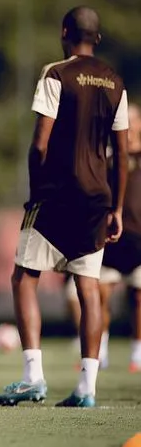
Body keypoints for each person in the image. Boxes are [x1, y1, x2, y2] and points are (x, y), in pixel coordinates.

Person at [0, 6, 128, 408]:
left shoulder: (56, 74)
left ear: (64, 32)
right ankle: (87, 388)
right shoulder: (115, 82)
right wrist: (116, 208)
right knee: (88, 287)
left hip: (56, 194)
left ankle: (33, 376)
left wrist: (38, 190)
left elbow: (39, 143)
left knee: (24, 278)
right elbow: (121, 154)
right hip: (97, 198)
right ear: (98, 39)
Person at [99, 102, 141, 372]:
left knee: (139, 297)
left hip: (139, 239)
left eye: (133, 120)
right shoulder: (107, 158)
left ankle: (137, 353)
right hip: (111, 240)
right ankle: (98, 352)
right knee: (98, 294)